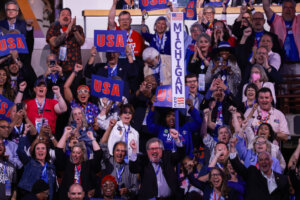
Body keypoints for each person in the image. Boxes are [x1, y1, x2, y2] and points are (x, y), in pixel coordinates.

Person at [129, 129, 185, 199]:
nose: (154, 151)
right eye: (151, 149)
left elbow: (180, 154)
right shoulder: (144, 161)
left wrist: (177, 139)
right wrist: (134, 151)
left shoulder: (167, 157)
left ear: (162, 150)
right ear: (147, 151)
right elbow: (133, 169)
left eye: (157, 148)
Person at [55, 126, 102, 199]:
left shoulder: (88, 164)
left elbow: (98, 154)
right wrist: (66, 133)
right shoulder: (67, 163)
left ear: (82, 154)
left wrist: (92, 138)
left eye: (78, 153)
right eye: (73, 152)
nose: (75, 155)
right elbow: (58, 151)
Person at [100, 119, 138, 199]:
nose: (120, 153)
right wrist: (110, 127)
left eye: (123, 151)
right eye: (117, 150)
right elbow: (103, 144)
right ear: (113, 152)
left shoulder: (130, 168)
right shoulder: (107, 162)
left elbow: (136, 189)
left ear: (126, 154)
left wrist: (128, 191)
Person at [46, 8, 85, 74]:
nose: (66, 17)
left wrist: (74, 29)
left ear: (71, 18)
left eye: (68, 15)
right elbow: (54, 43)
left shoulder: (78, 28)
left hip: (75, 68)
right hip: (57, 68)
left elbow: (81, 42)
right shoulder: (53, 28)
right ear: (59, 19)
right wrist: (67, 31)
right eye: (63, 15)